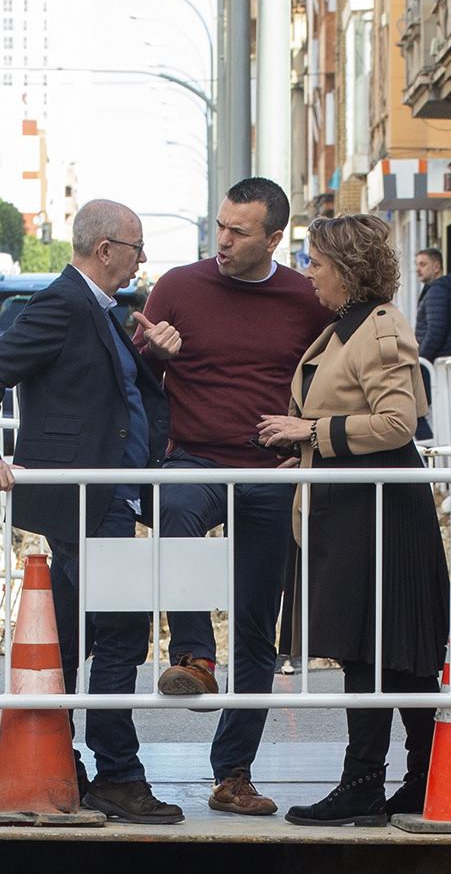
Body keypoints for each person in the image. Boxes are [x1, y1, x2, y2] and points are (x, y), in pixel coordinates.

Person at [0, 199, 181, 824]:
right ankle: (117, 776)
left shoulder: (105, 310)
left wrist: (153, 357)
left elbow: (111, 394)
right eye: (137, 248)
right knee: (120, 634)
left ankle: (64, 764)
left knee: (69, 635)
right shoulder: (63, 303)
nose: (142, 261)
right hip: (88, 500)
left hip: (109, 497)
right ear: (105, 249)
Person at [138, 177, 334, 816]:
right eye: (219, 226)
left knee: (258, 626)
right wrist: (152, 354)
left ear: (275, 237)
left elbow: (337, 369)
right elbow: (135, 376)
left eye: (239, 231)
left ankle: (233, 774)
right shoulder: (178, 287)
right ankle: (194, 653)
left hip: (269, 472)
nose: (222, 240)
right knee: (174, 509)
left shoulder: (305, 297)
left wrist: (308, 436)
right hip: (194, 458)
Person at [259, 214, 450, 826]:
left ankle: (371, 782)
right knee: (381, 650)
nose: (308, 273)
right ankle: (415, 777)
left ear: (344, 268)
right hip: (353, 500)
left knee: (384, 649)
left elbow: (398, 422)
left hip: (380, 504)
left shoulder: (379, 327)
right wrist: (300, 440)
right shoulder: (348, 327)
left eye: (315, 262)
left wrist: (308, 431)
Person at [412, 248, 451, 360]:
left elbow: (435, 331)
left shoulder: (436, 292)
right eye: (416, 265)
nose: (417, 269)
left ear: (436, 267)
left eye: (422, 264)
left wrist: (421, 360)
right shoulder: (447, 290)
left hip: (437, 361)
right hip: (448, 358)